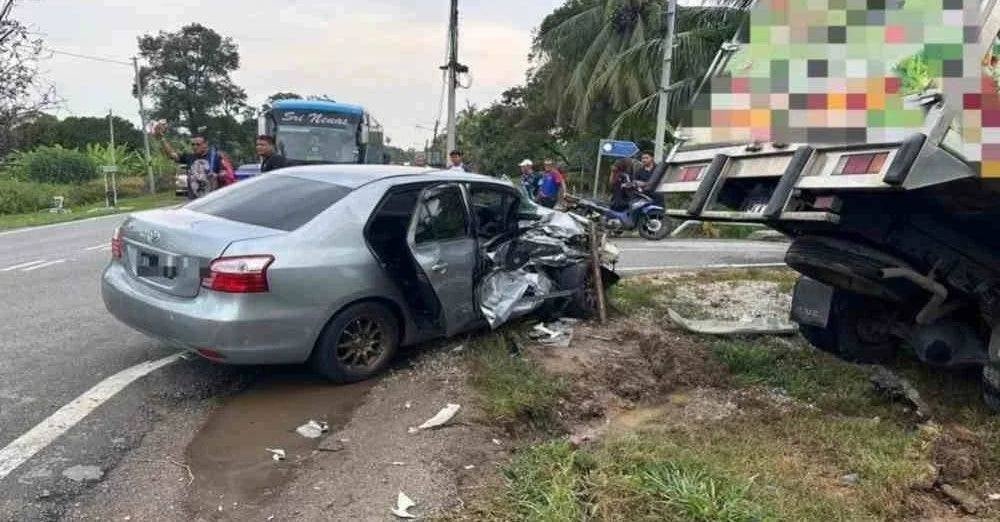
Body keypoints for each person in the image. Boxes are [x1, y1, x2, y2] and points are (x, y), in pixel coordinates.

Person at [154, 123, 224, 199]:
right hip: (193, 200)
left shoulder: (215, 157)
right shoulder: (189, 157)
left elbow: (227, 173)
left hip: (212, 199)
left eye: (198, 144)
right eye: (193, 144)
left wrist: (217, 175)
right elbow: (172, 154)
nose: (195, 147)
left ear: (205, 144)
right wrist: (162, 138)